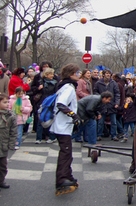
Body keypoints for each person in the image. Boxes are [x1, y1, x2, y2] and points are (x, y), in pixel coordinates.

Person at [50, 63, 81, 195]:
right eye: (76, 73)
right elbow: (61, 104)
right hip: (63, 126)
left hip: (62, 125)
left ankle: (68, 176)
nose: (78, 75)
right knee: (65, 153)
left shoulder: (65, 86)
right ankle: (62, 179)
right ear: (70, 74)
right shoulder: (68, 87)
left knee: (67, 153)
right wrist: (73, 115)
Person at [94, 69, 121, 141]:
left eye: (109, 73)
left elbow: (117, 93)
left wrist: (116, 103)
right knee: (101, 121)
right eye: (106, 73)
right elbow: (95, 92)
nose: (108, 75)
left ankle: (114, 135)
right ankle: (99, 135)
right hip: (102, 104)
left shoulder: (113, 83)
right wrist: (100, 98)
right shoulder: (98, 83)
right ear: (103, 74)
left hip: (111, 104)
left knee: (114, 121)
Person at [35, 68, 57, 144]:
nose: (52, 75)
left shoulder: (55, 82)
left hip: (51, 103)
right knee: (40, 120)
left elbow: (56, 93)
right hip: (43, 102)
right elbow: (34, 90)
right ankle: (38, 138)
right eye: (51, 74)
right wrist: (38, 89)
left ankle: (51, 137)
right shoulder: (41, 82)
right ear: (47, 74)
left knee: (51, 120)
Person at [0, 93, 17, 189]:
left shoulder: (10, 116)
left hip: (3, 145)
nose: (7, 104)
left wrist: (11, 144)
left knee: (3, 166)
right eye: (4, 102)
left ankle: (1, 180)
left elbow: (13, 132)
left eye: (8, 102)